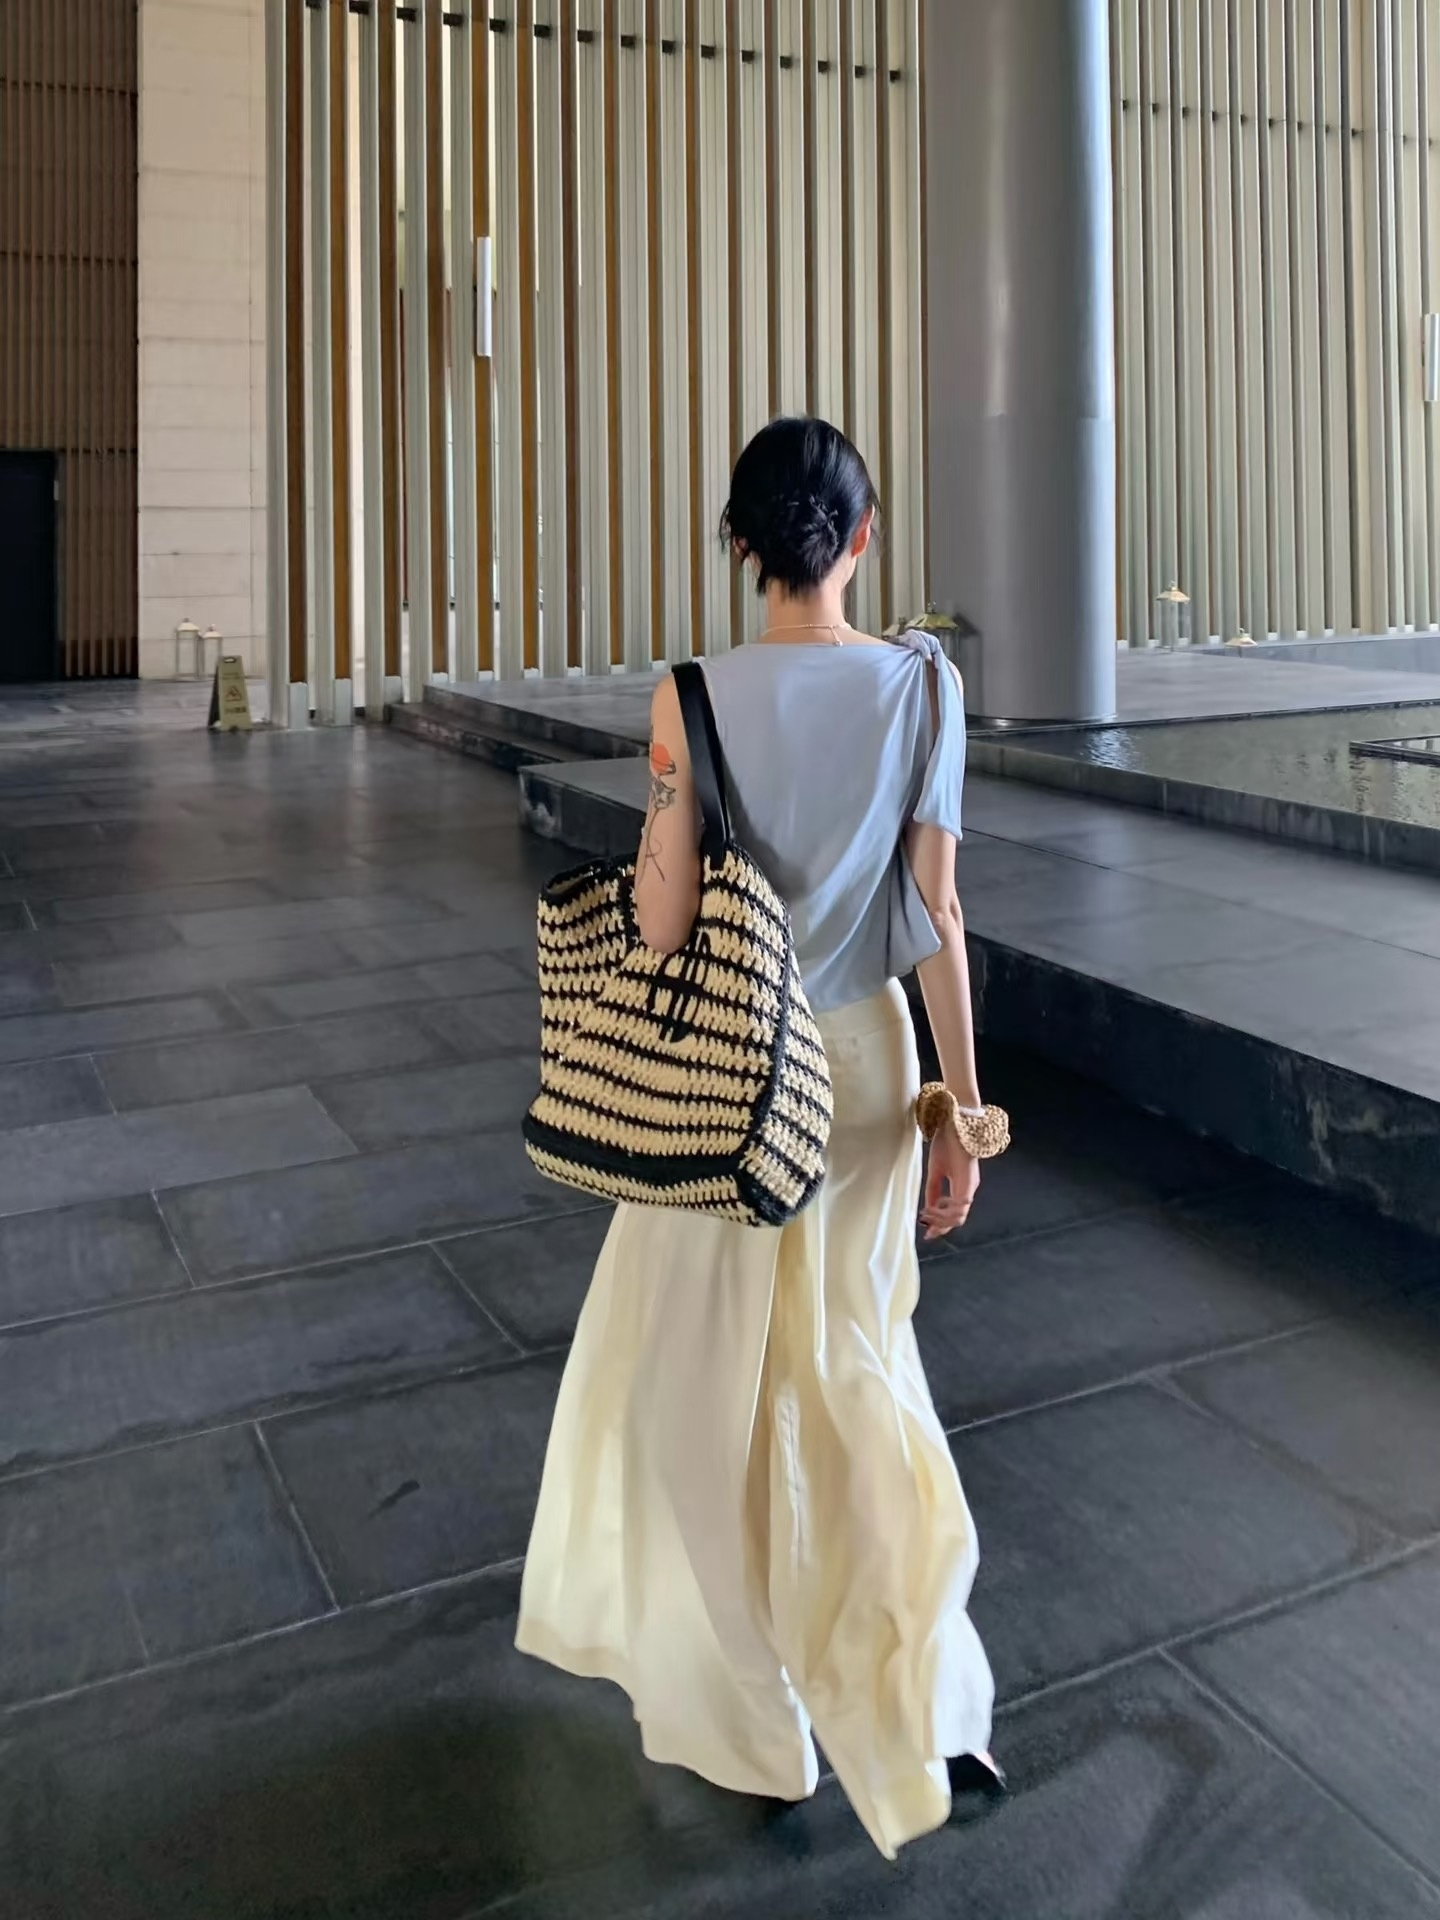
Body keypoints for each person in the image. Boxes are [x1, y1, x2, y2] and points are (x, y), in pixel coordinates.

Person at [517, 416, 999, 1860]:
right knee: (857, 1360)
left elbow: (663, 921)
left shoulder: (690, 697)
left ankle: (759, 1724)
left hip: (732, 1068)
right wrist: (963, 1114)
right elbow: (938, 916)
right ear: (862, 539)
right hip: (870, 1071)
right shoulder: (926, 687)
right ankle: (910, 1684)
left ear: (740, 546)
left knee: (705, 1390)